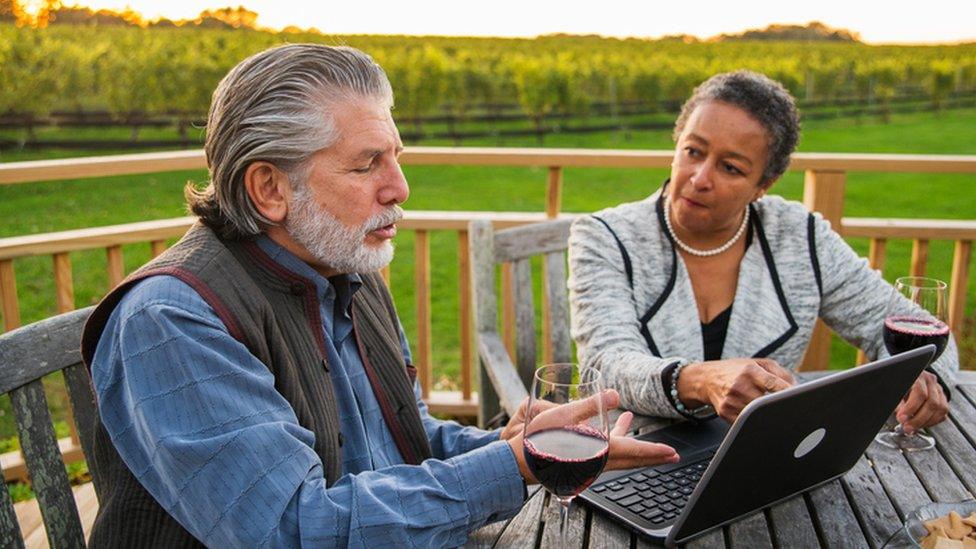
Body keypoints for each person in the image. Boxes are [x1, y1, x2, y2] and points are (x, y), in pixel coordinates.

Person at [80, 44, 678, 547]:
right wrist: (514, 466)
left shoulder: (347, 270)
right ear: (268, 189)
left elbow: (400, 441)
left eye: (396, 157)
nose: (400, 187)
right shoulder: (173, 320)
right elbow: (292, 529)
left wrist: (506, 444)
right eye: (368, 165)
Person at [568, 70, 958, 431]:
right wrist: (701, 380)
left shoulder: (801, 237)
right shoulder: (604, 236)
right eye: (693, 151)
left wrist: (929, 377)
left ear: (764, 185)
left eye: (731, 168)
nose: (700, 178)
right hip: (630, 454)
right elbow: (606, 365)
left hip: (761, 457)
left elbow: (919, 329)